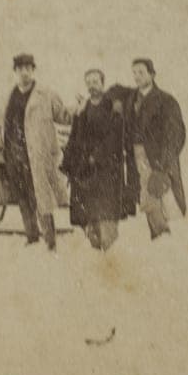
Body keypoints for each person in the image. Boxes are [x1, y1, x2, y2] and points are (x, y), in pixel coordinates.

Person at [0, 54, 74, 250]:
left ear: (33, 70)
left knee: (42, 197)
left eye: (28, 68)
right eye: (20, 69)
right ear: (15, 72)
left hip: (37, 156)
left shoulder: (46, 94)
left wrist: (80, 108)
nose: (24, 73)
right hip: (14, 157)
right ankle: (31, 236)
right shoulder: (7, 97)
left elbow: (64, 116)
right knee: (22, 197)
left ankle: (50, 241)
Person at [108, 58, 187, 240]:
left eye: (141, 72)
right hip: (135, 155)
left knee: (165, 197)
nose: (136, 76)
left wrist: (162, 164)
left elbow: (176, 134)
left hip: (158, 156)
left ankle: (169, 237)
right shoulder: (131, 97)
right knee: (147, 197)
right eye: (134, 72)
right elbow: (114, 89)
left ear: (152, 74)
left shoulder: (166, 100)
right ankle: (160, 235)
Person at [60, 69, 132, 251]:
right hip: (85, 167)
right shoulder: (83, 108)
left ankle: (109, 251)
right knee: (86, 213)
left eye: (96, 81)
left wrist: (97, 156)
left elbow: (115, 135)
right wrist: (69, 162)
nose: (92, 85)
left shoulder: (112, 105)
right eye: (89, 82)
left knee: (106, 212)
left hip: (107, 167)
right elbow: (75, 136)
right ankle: (94, 248)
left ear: (102, 83)